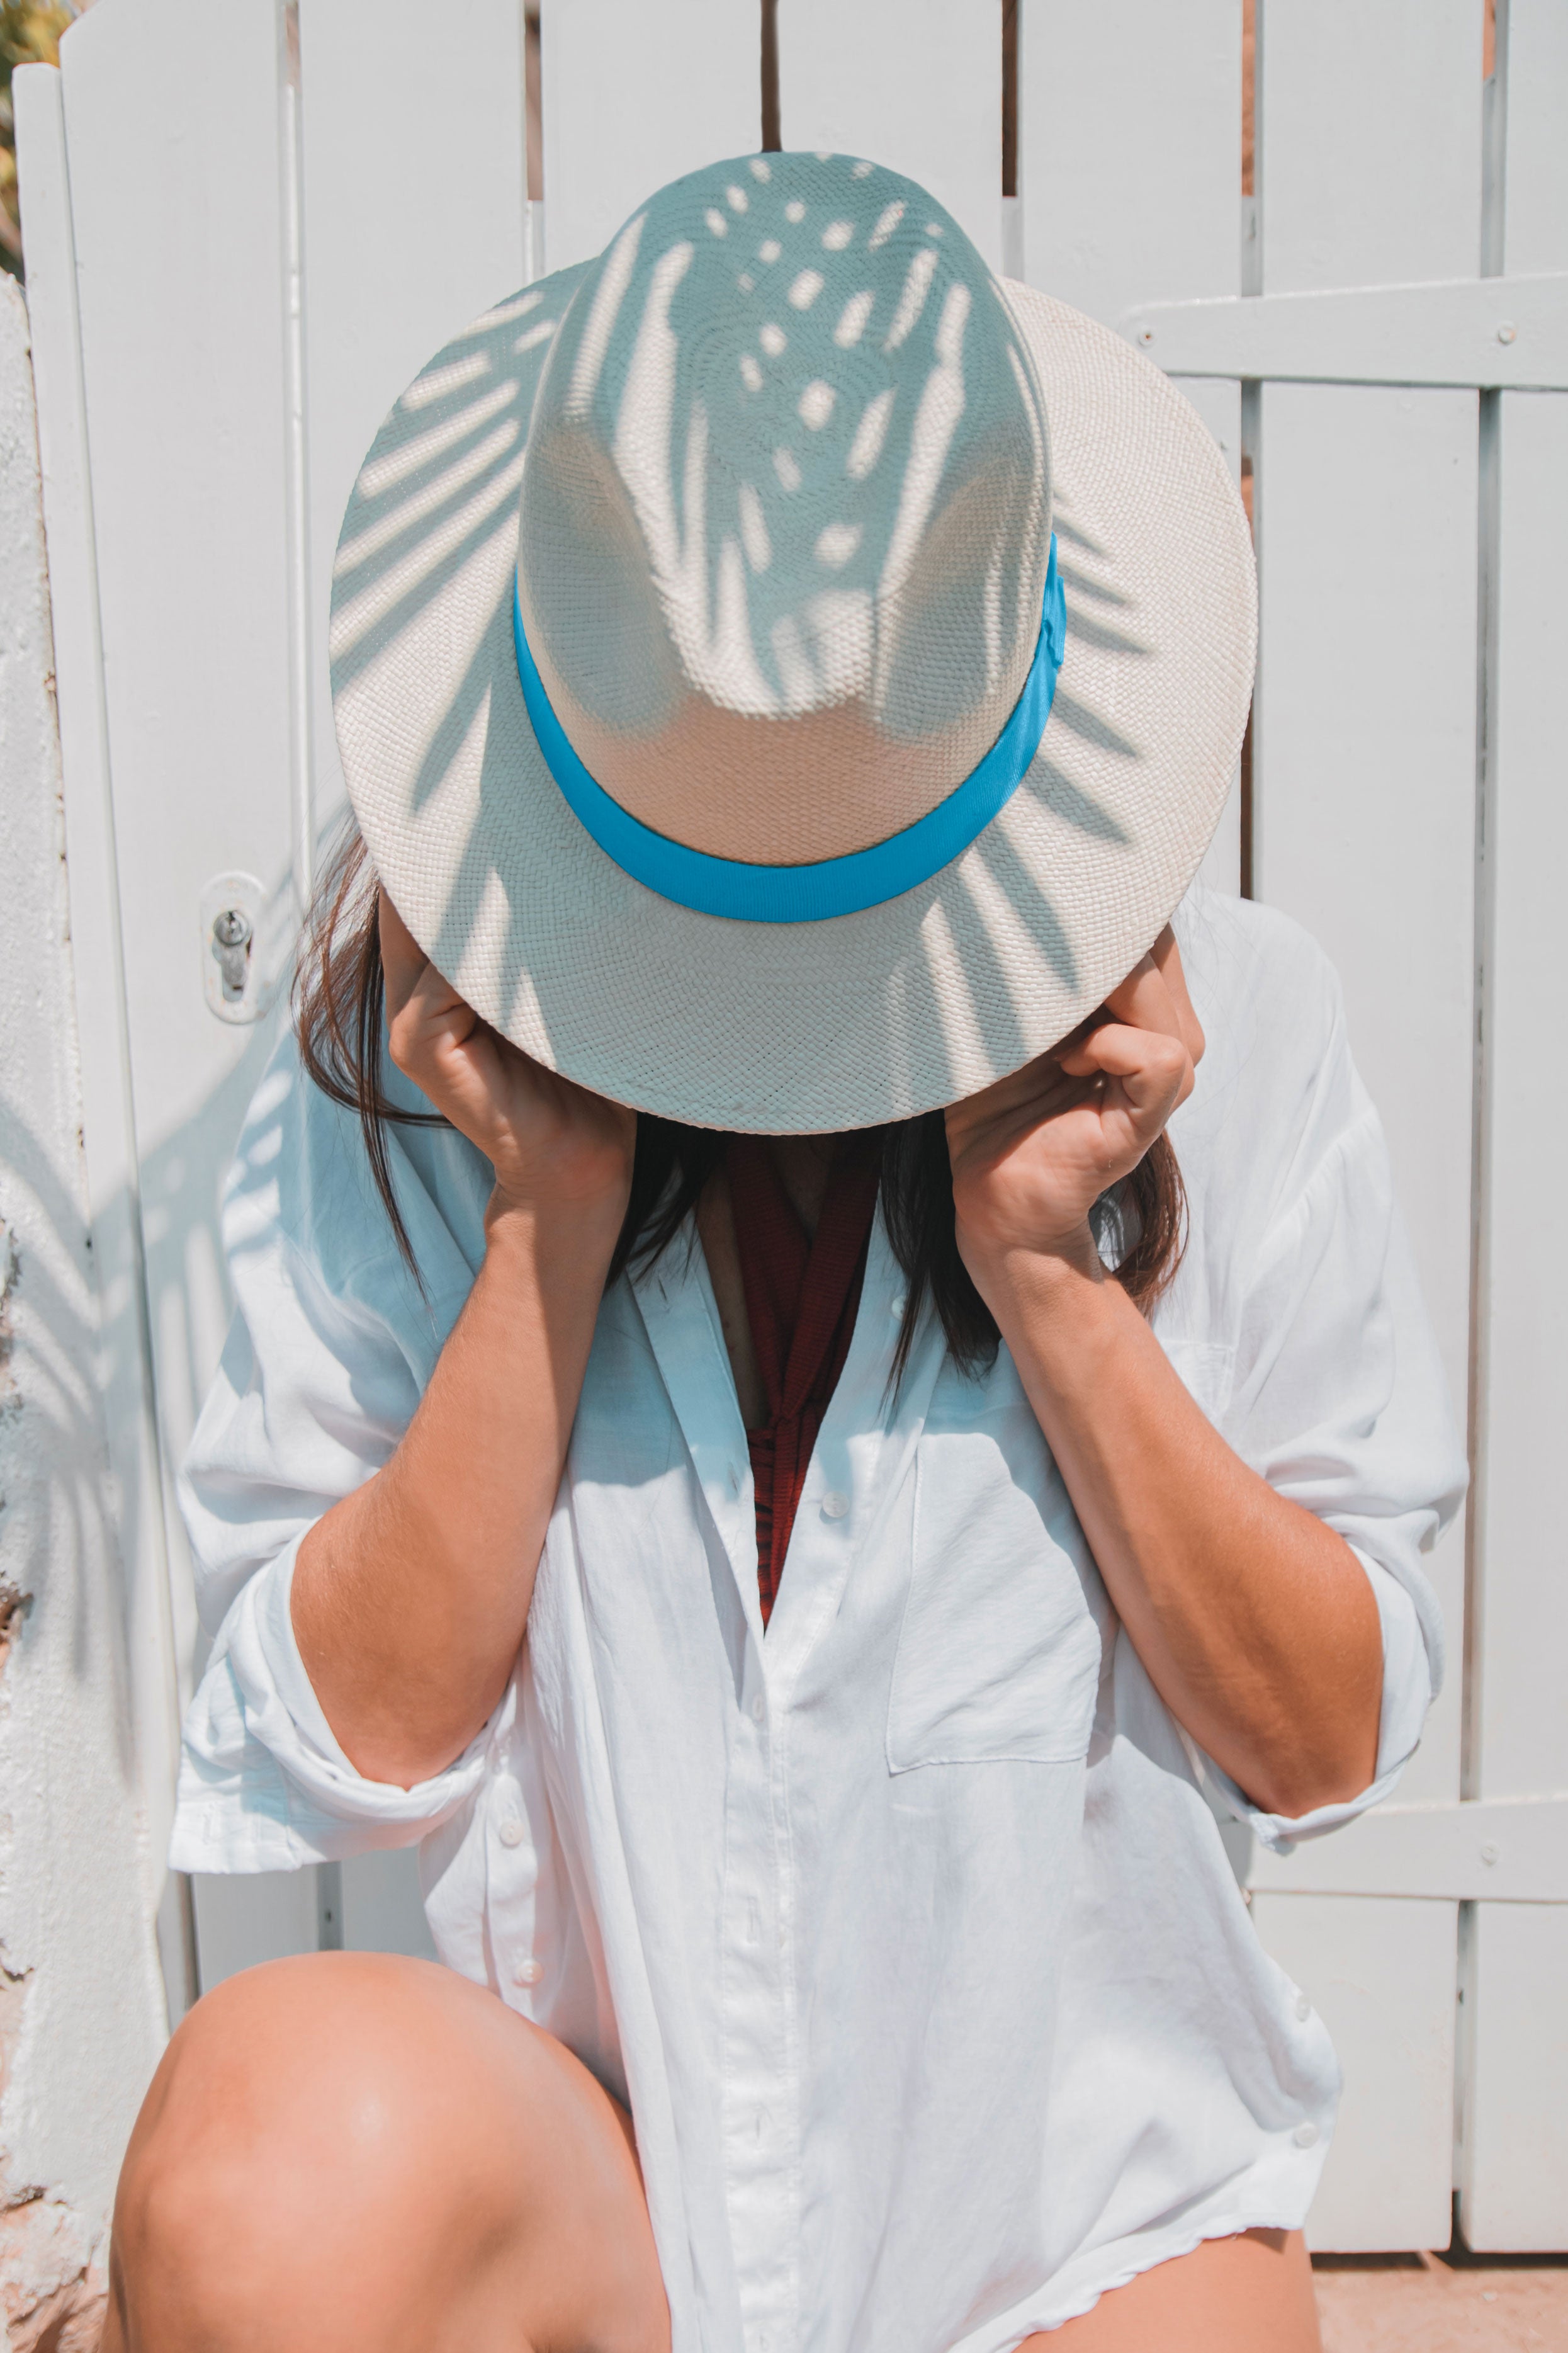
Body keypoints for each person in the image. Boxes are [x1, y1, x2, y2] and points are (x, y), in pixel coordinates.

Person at [104, 153, 1463, 2353]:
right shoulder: (411, 1054)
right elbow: (345, 1736)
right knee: (268, 2168)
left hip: (1071, 2221)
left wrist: (1056, 1288)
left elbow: (1317, 1731)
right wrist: (543, 1222)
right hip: (601, 2223)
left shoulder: (1244, 1026)